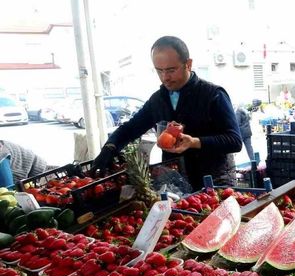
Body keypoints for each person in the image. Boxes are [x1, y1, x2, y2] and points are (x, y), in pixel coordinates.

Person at [90, 36, 242, 189]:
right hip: (177, 186)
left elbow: (234, 141)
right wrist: (110, 147)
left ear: (188, 64)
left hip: (216, 184)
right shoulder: (157, 100)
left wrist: (194, 142)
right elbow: (131, 128)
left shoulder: (213, 94)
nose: (165, 78)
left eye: (171, 70)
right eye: (159, 71)